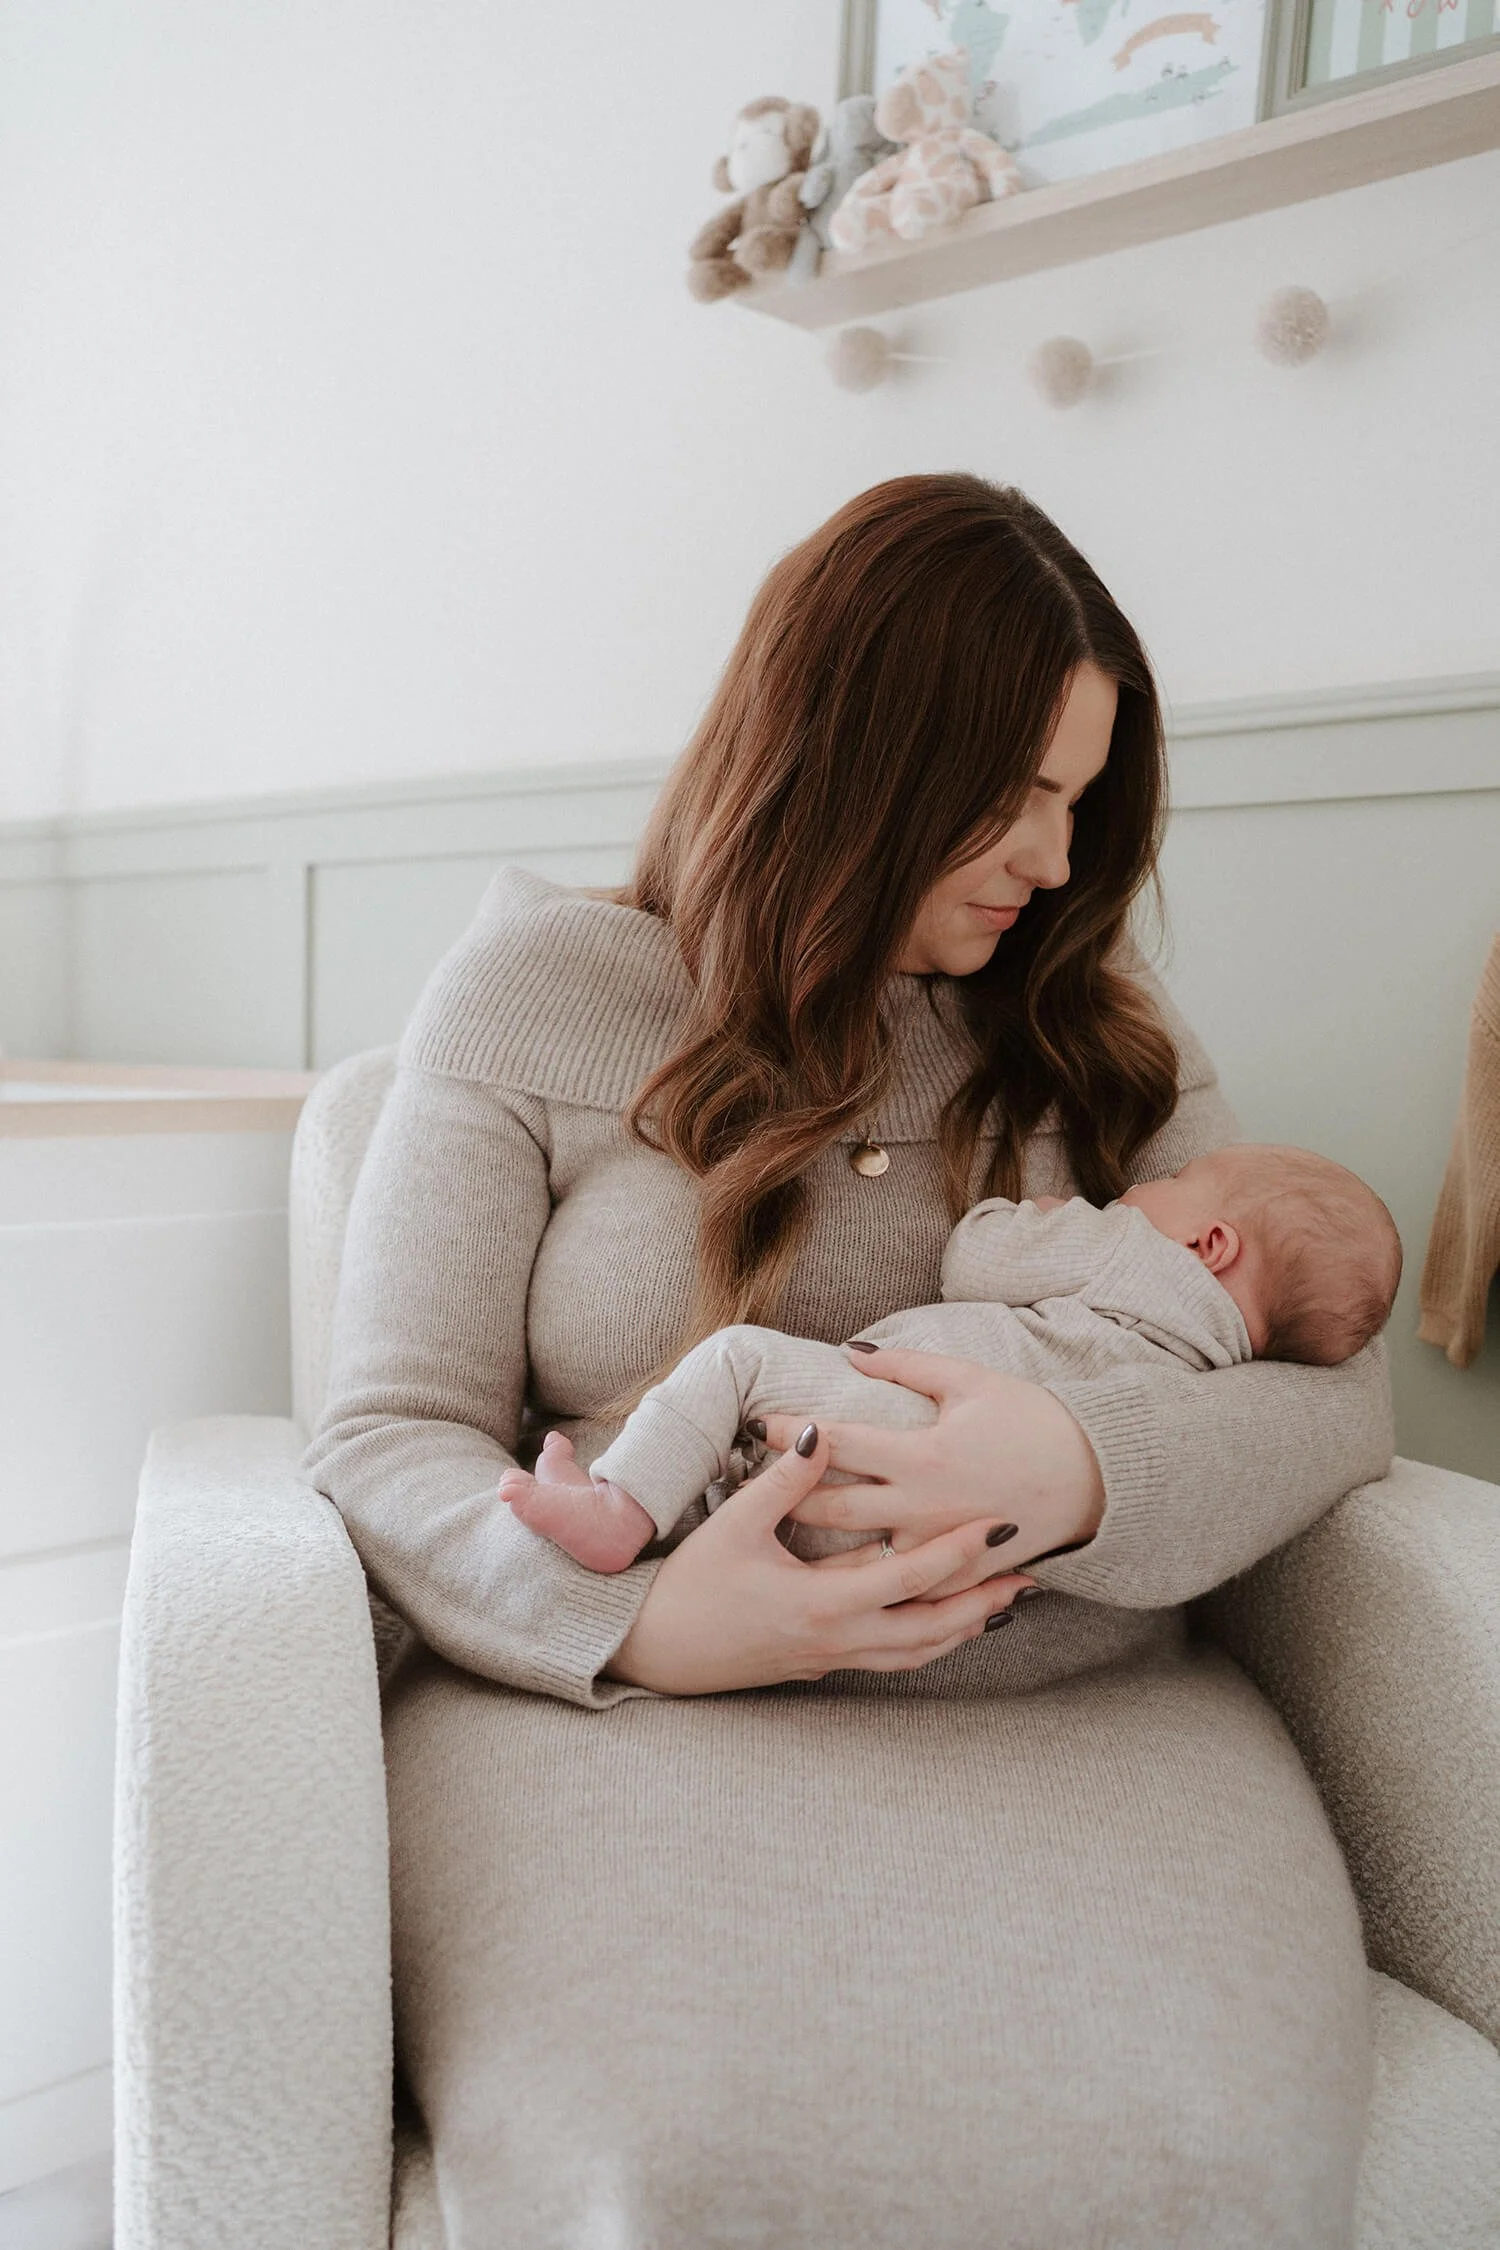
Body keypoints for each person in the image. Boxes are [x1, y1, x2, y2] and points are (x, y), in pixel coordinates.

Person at [303, 474, 1392, 2247]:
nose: (1055, 861)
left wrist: (1093, 1475)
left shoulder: (1097, 1042)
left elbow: (1333, 1392)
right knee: (659, 2173)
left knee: (1217, 2160)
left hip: (1077, 1719)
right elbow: (388, 1434)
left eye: (1081, 804)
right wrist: (640, 1626)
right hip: (629, 1739)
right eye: (1021, 796)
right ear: (857, 752)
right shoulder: (539, 991)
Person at [498, 1143, 1403, 1574]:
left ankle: (622, 1507)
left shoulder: (1129, 1249)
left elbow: (976, 1259)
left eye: (1165, 1185)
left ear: (1210, 1243)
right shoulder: (1219, 1371)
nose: (1136, 1189)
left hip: (892, 1425)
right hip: (940, 1547)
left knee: (736, 1360)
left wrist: (1038, 1215)